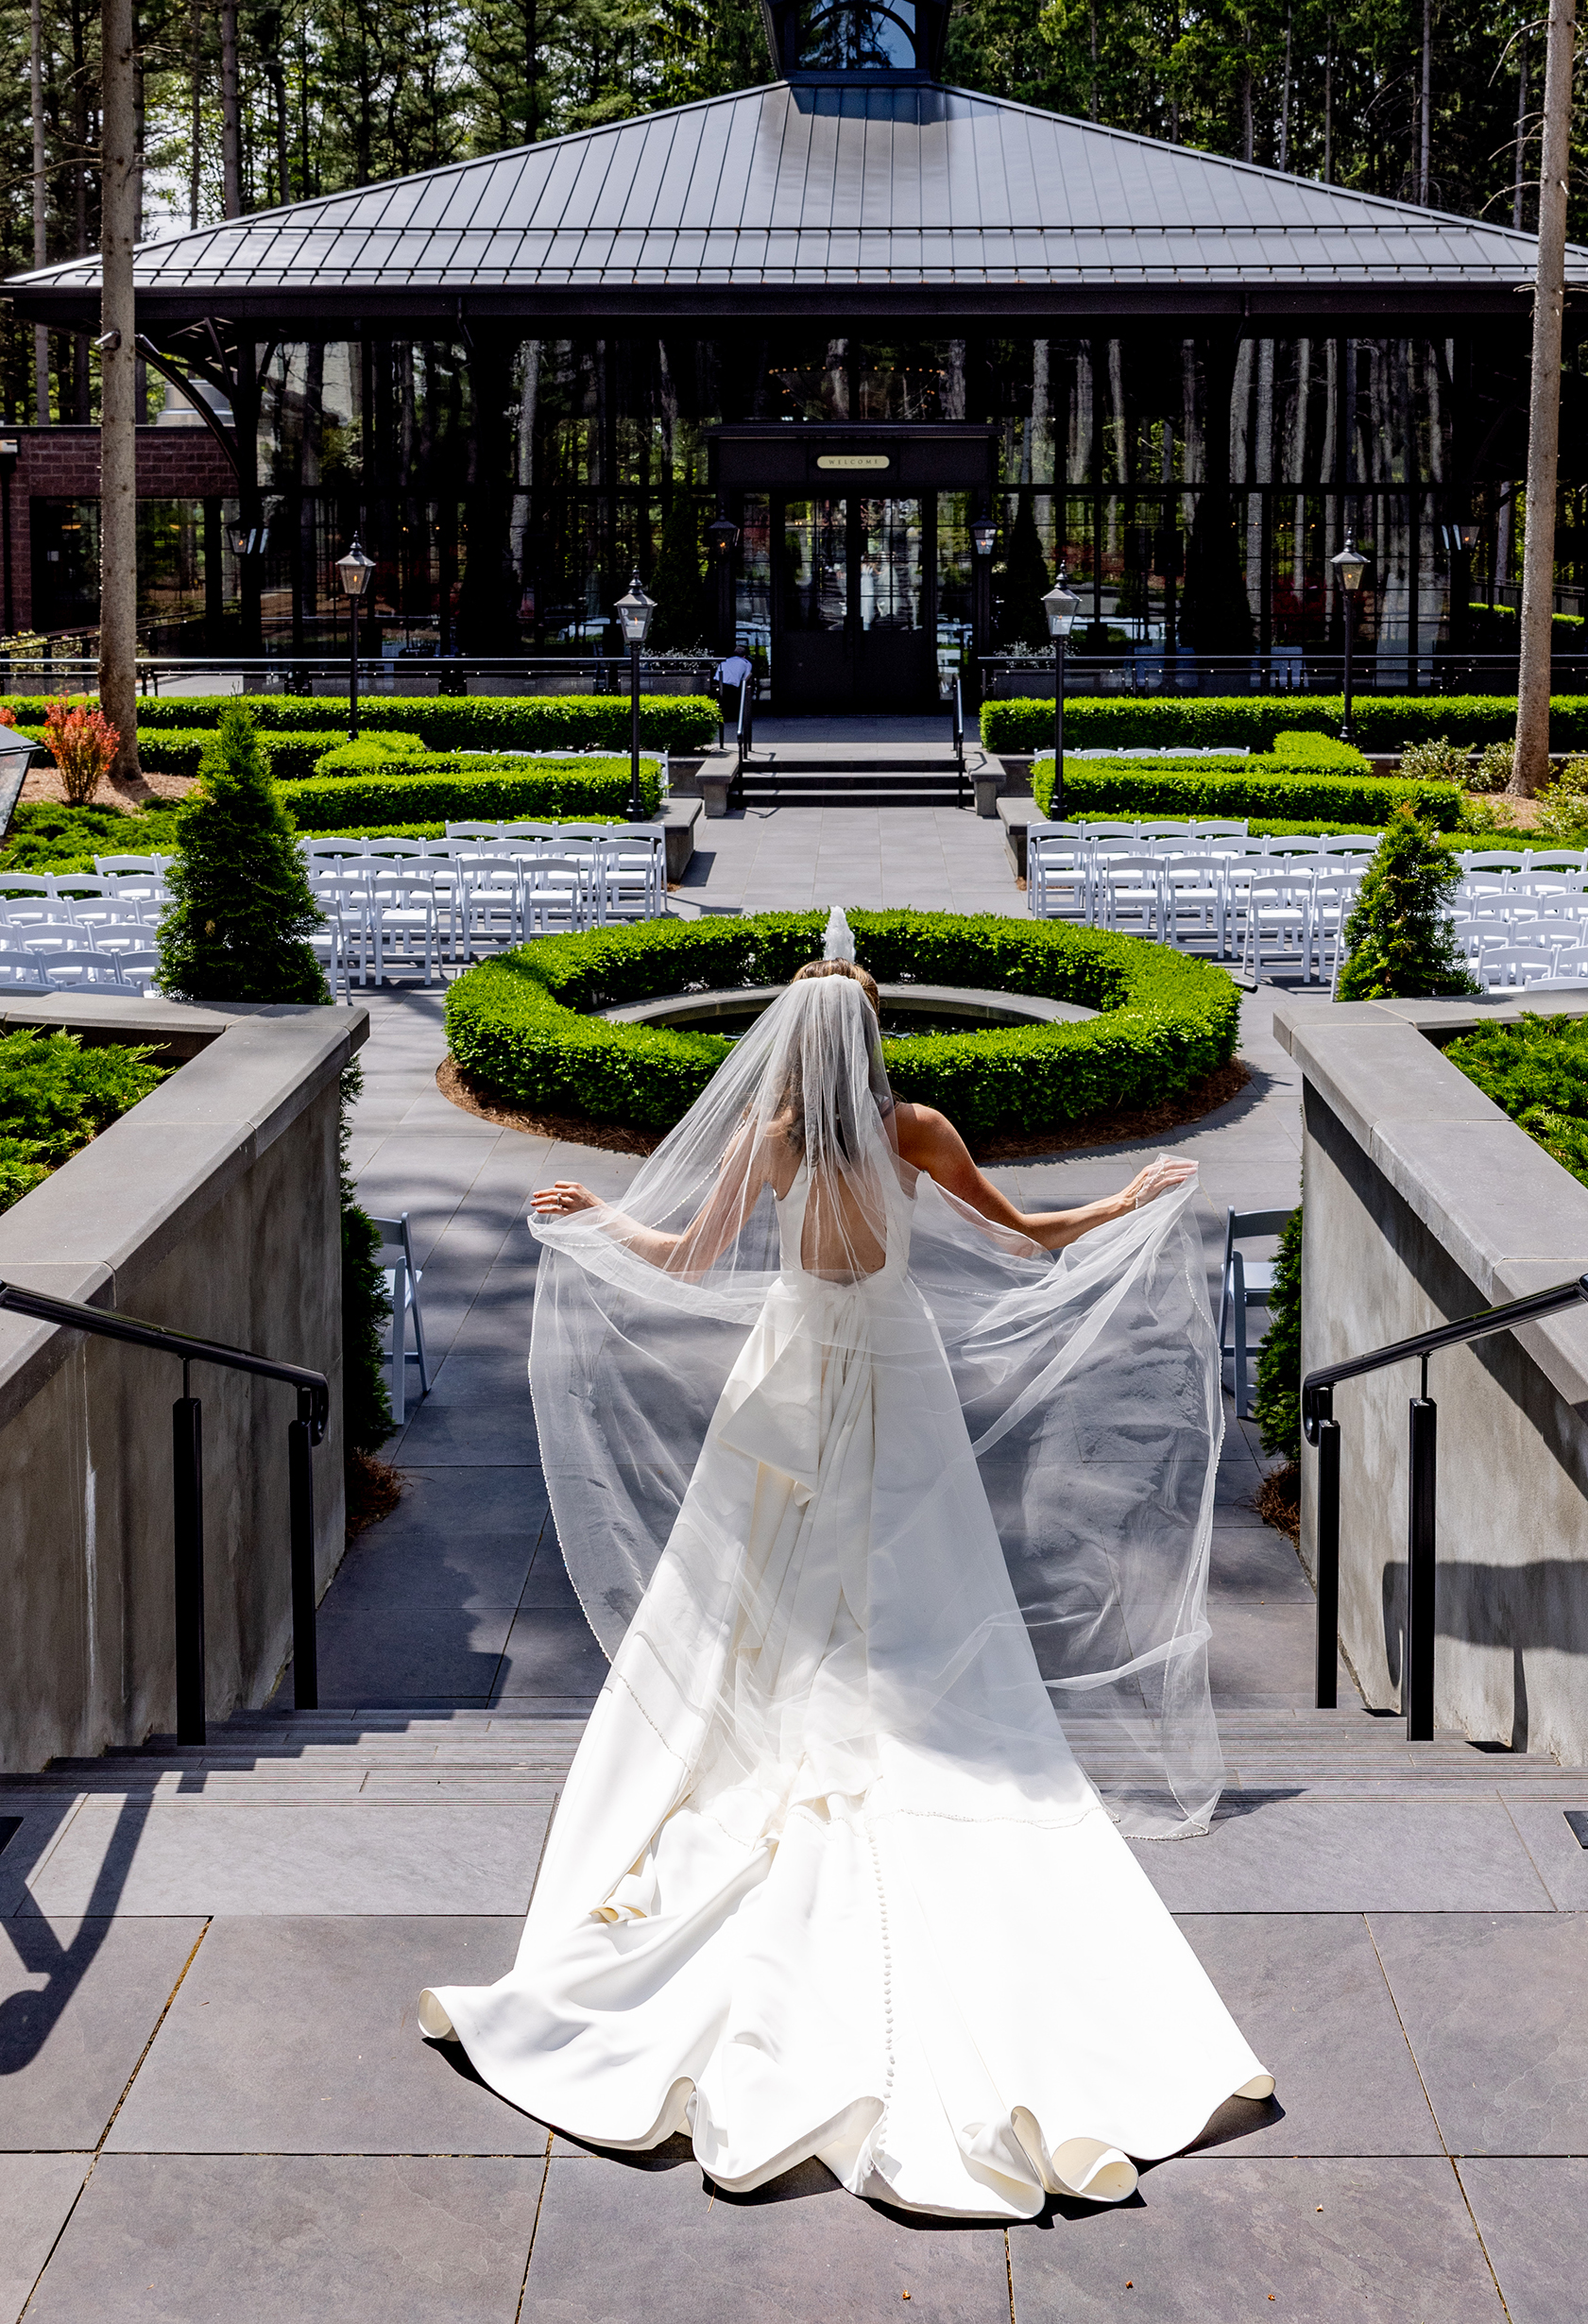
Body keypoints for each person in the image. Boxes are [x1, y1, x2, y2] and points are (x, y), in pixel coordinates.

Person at [420, 913, 1272, 2219]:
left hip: (789, 1362)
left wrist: (597, 1222)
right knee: (917, 1575)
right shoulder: (916, 1129)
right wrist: (1127, 1202)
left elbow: (689, 1258)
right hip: (892, 1362)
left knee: (755, 1579)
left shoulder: (770, 1143)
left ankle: (767, 1723)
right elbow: (1028, 1240)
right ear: (870, 1038)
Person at [712, 644, 754, 729]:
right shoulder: (746, 663)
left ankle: (721, 717)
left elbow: (716, 676)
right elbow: (746, 678)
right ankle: (734, 717)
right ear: (744, 656)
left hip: (719, 683)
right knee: (733, 701)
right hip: (733, 685)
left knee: (721, 701)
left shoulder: (724, 661)